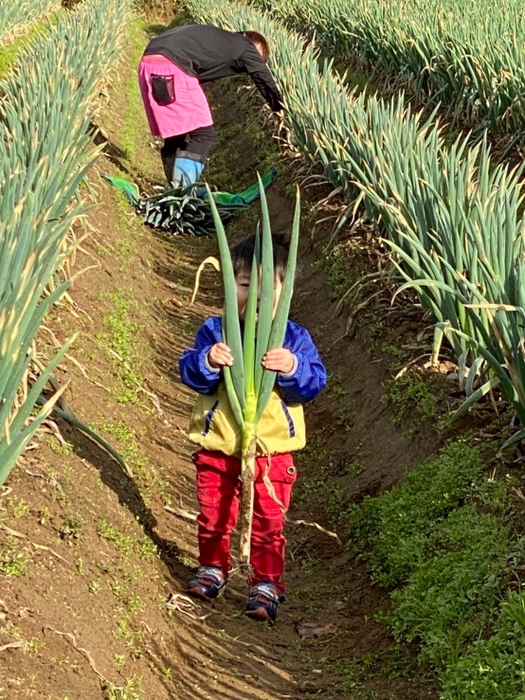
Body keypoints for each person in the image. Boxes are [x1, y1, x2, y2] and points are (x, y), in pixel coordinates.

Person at [179, 235, 327, 622]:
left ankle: (266, 583)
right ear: (230, 287)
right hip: (220, 446)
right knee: (214, 513)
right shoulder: (217, 331)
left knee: (268, 520)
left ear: (285, 290)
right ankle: (212, 567)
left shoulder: (294, 338)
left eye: (267, 287)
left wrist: (292, 366)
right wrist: (209, 361)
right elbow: (192, 374)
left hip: (272, 453)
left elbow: (314, 383)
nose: (255, 296)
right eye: (244, 285)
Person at [138, 24, 284, 188]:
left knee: (176, 133)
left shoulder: (220, 40)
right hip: (174, 66)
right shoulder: (247, 47)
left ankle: (174, 190)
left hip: (148, 65)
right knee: (203, 134)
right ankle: (182, 193)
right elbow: (263, 78)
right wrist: (279, 109)